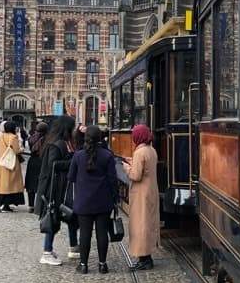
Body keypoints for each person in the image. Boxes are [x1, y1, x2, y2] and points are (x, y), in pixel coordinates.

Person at [67, 125, 118, 274]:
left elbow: (71, 177)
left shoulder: (78, 155)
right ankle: (102, 264)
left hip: (83, 200)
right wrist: (115, 197)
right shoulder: (107, 155)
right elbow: (112, 179)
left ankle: (83, 264)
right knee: (102, 232)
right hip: (103, 199)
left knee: (85, 233)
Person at [35, 115, 78, 266]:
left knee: (69, 215)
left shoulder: (63, 142)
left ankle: (73, 246)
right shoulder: (56, 144)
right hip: (53, 188)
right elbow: (54, 164)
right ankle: (46, 252)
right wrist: (72, 161)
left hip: (60, 186)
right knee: (51, 217)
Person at [122, 124, 160, 271]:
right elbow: (146, 169)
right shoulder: (151, 150)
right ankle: (147, 256)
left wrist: (126, 167)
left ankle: (144, 259)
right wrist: (133, 162)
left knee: (140, 225)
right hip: (150, 191)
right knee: (148, 224)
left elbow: (135, 175)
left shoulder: (139, 152)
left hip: (141, 194)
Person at [0, 120, 25, 212]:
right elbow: (16, 150)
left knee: (2, 185)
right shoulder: (13, 137)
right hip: (10, 164)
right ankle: (5, 205)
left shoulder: (1, 136)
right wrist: (22, 148)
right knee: (9, 185)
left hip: (1, 162)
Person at [24, 121, 48, 212]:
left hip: (32, 161)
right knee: (41, 183)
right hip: (42, 161)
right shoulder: (47, 139)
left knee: (31, 184)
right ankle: (40, 205)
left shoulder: (31, 138)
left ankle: (31, 205)